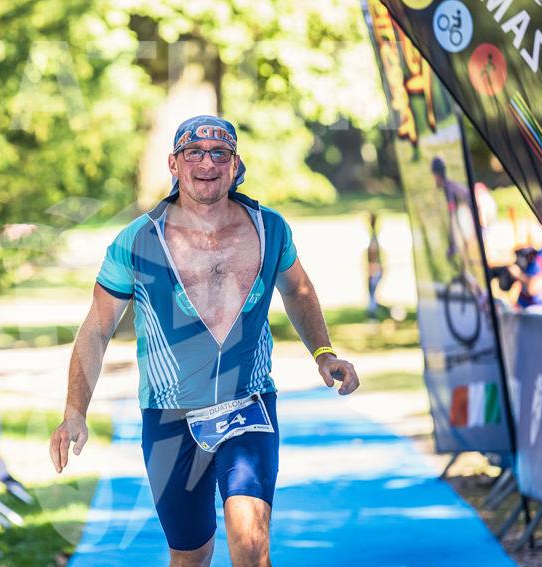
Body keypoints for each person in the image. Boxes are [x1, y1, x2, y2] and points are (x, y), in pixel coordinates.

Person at [49, 115, 361, 566]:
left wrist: (323, 352)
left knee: (250, 543)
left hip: (247, 404)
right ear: (173, 164)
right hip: (169, 417)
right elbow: (96, 329)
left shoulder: (269, 229)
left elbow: (298, 290)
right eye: (194, 152)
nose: (207, 164)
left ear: (235, 165)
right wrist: (74, 411)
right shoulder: (137, 242)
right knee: (190, 555)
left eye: (220, 153)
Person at [366, 212, 383, 319]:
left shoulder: (373, 240)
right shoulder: (374, 238)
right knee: (372, 292)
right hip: (375, 269)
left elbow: (373, 255)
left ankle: (372, 311)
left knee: (372, 291)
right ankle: (373, 310)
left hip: (374, 269)